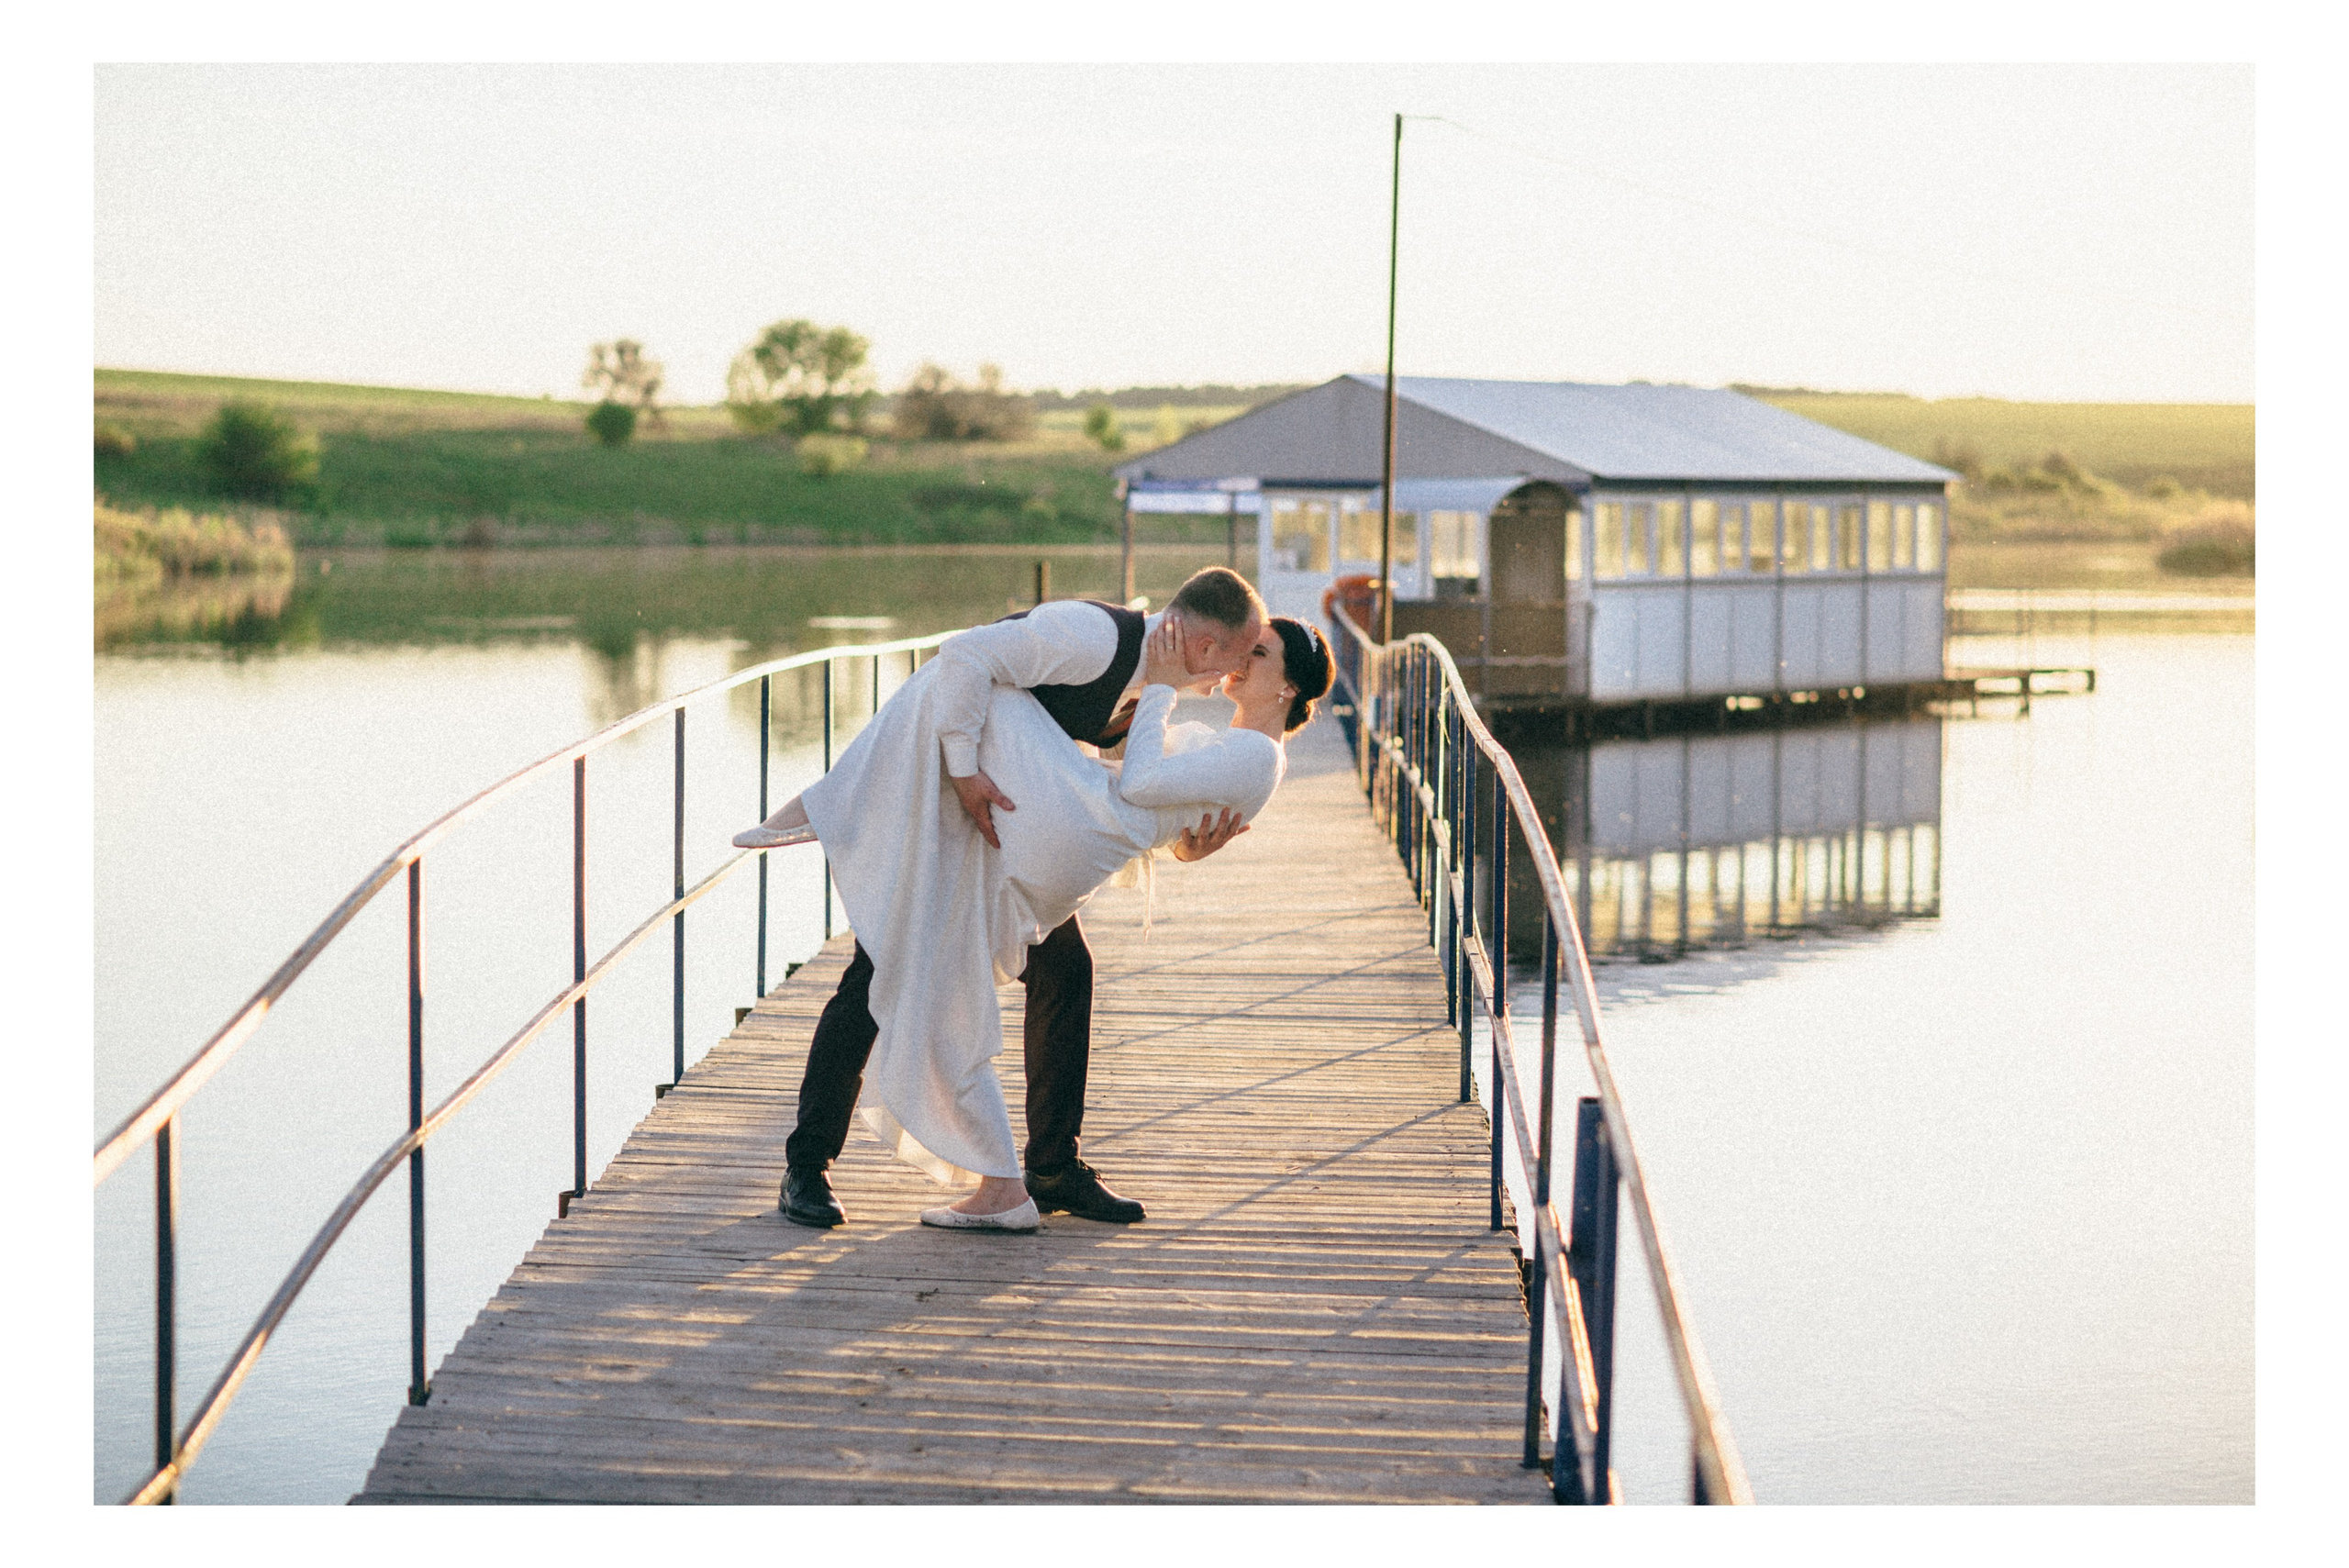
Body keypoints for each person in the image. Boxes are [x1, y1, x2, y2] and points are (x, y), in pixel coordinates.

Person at [751, 612, 1330, 1231]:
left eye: (1258, 653)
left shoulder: (1242, 745)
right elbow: (1156, 796)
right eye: (1242, 646)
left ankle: (1049, 1167)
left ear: (1288, 686)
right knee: (889, 963)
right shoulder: (1156, 688)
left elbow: (1152, 799)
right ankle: (808, 1164)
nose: (1241, 659)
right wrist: (1153, 707)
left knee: (1054, 969)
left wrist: (1162, 696)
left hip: (1037, 825)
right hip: (1021, 814)